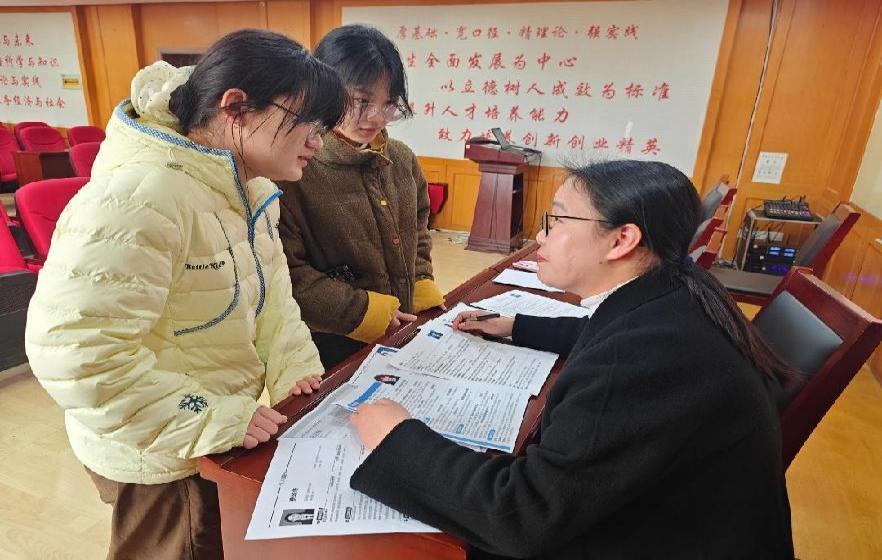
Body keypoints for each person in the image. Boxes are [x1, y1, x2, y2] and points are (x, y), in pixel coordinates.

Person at [348, 160, 796, 559]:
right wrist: (516, 326)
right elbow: (606, 331)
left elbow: (522, 515)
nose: (541, 236)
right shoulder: (674, 291)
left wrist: (397, 439)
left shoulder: (644, 358)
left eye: (559, 220)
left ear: (622, 239)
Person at [25, 29, 346, 559]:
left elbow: (272, 301)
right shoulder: (140, 198)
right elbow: (78, 355)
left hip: (210, 436)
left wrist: (296, 371)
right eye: (306, 123)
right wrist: (211, 418)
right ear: (236, 108)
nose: (318, 141)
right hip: (160, 451)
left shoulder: (250, 189)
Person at [277, 24, 444, 369]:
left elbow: (418, 232)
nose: (376, 118)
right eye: (362, 101)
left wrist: (421, 282)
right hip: (328, 342)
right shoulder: (294, 170)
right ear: (324, 91)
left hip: (403, 326)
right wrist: (366, 312)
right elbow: (288, 273)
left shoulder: (401, 159)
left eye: (388, 103)